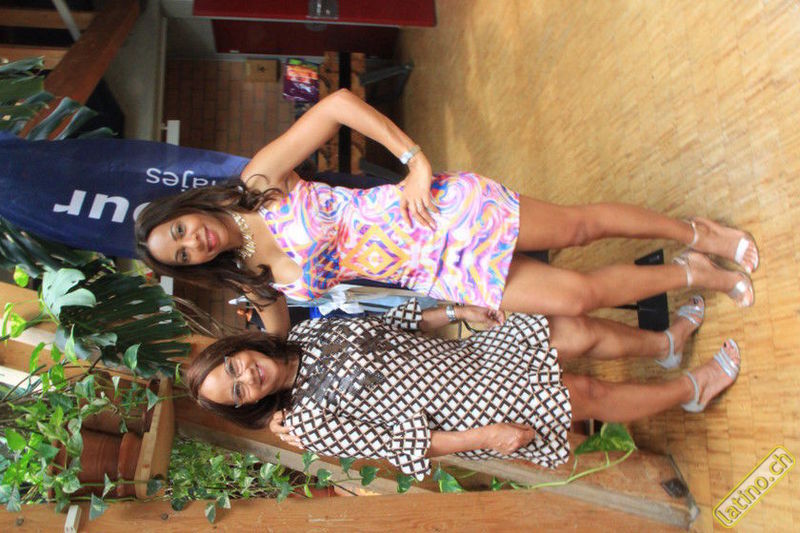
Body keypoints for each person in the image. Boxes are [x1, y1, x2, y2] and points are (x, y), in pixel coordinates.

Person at [136, 89, 758, 337]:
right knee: (577, 298)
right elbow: (281, 345)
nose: (194, 242)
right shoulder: (255, 281)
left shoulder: (256, 184)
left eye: (180, 231)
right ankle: (697, 273)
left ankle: (697, 232)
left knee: (578, 226)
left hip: (440, 214)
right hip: (438, 273)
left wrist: (413, 161)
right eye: (182, 255)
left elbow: (336, 107)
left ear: (184, 209)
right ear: (192, 268)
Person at [185, 298, 740, 480]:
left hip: (467, 359)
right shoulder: (305, 421)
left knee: (575, 330)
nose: (246, 378)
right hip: (469, 410)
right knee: (585, 393)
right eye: (237, 392)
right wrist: (487, 437)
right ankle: (692, 387)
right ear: (246, 406)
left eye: (232, 368)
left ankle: (665, 343)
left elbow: (392, 324)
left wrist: (454, 312)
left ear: (237, 348)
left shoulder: (305, 334)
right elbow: (402, 445)